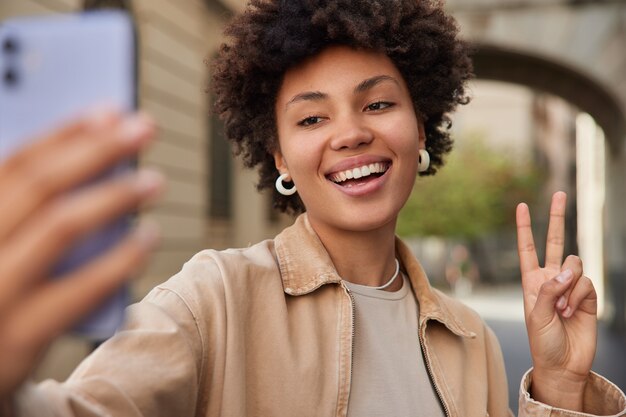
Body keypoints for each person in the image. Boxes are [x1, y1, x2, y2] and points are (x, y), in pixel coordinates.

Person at [2, 1, 625, 416]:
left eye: (378, 104)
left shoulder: (472, 340)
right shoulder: (214, 298)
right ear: (278, 156)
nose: (349, 133)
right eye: (311, 117)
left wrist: (560, 388)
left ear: (421, 128)